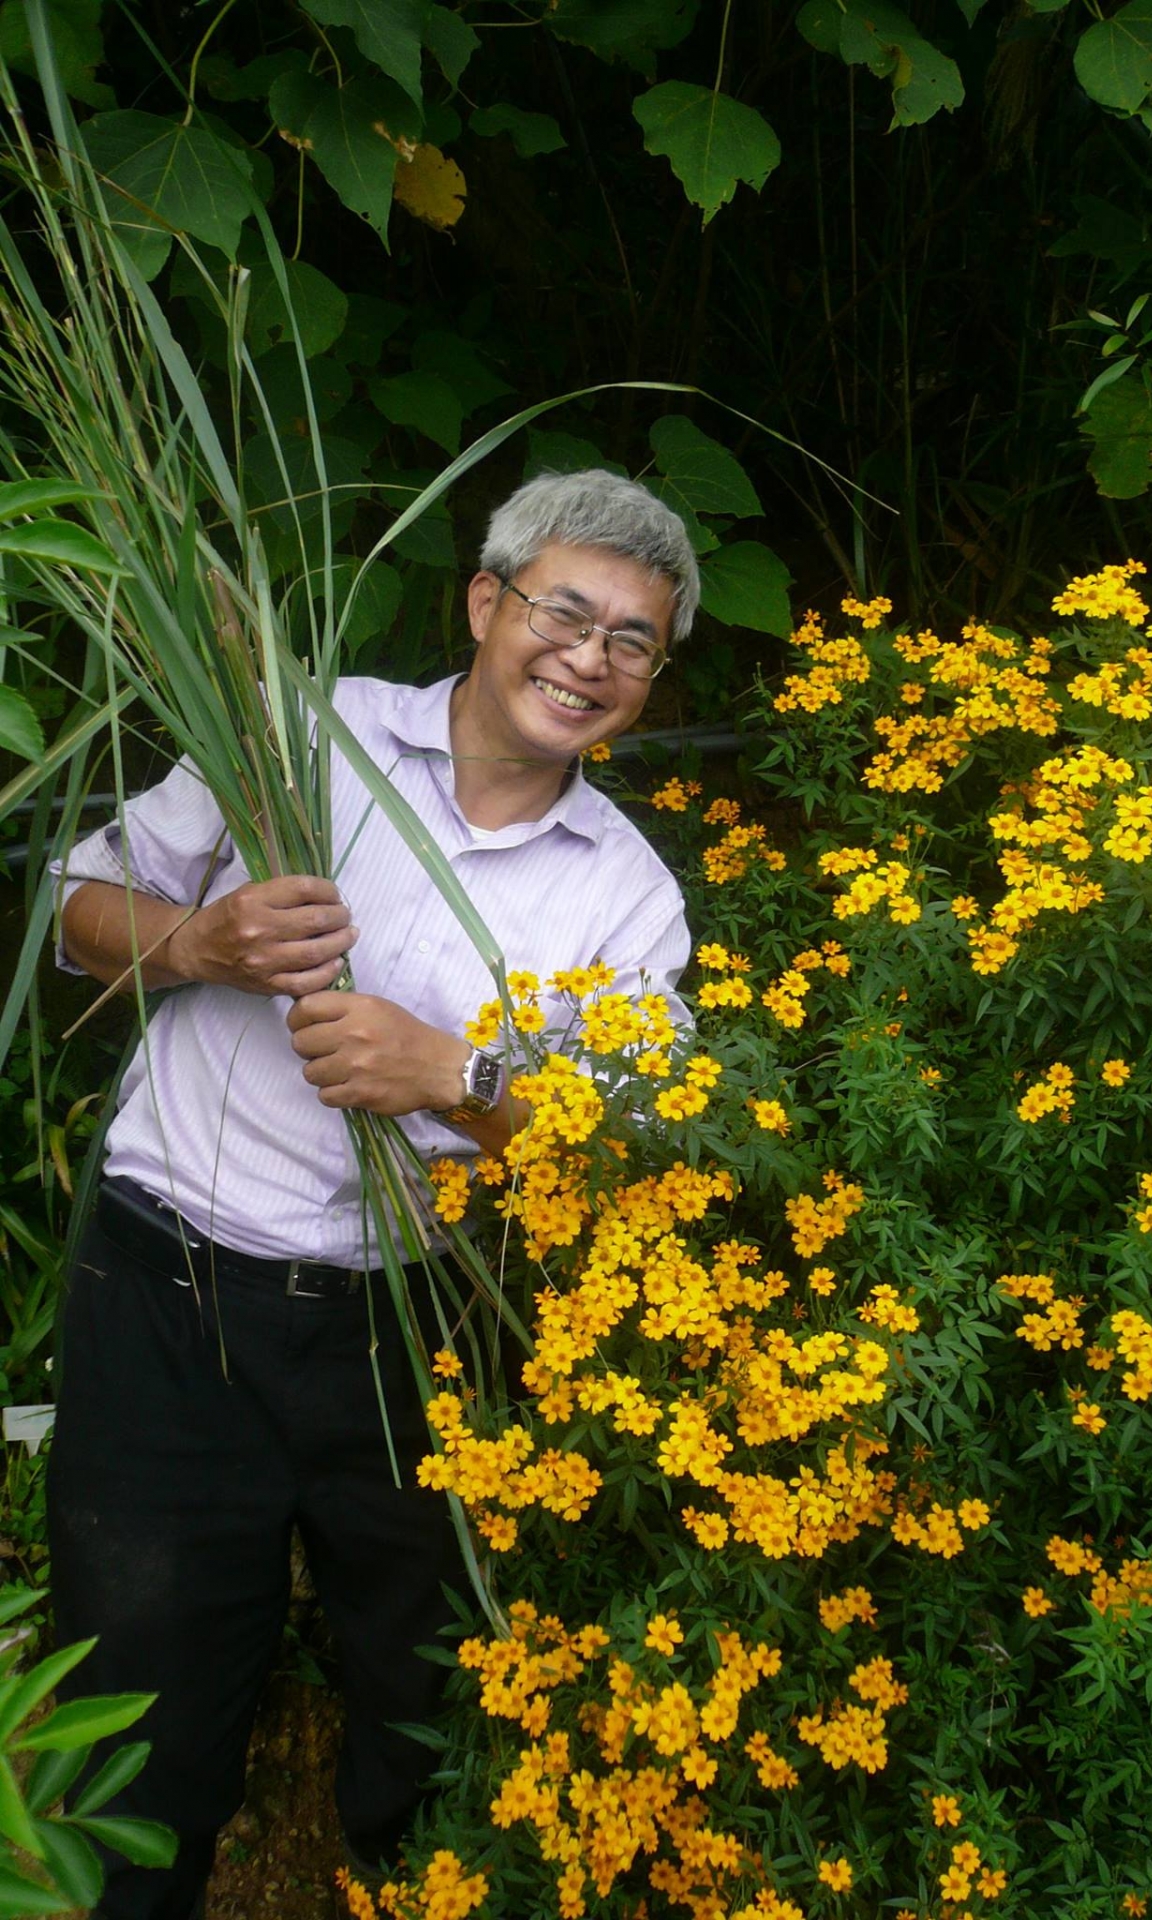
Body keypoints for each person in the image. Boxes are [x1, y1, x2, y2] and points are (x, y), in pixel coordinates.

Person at [48, 469, 698, 1920]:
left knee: (430, 1711)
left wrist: (454, 1076)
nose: (588, 659)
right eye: (564, 614)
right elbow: (78, 914)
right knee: (136, 1717)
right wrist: (201, 944)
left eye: (633, 642)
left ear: (651, 681)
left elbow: (628, 1149)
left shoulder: (629, 893)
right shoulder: (299, 733)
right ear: (484, 603)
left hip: (416, 1337)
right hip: (169, 1298)